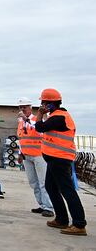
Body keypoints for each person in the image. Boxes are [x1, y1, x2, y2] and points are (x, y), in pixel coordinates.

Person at [35, 88, 87, 236]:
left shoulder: (59, 117)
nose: (42, 106)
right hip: (55, 159)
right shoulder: (57, 116)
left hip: (60, 159)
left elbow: (39, 127)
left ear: (50, 104)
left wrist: (40, 114)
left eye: (43, 103)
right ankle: (62, 219)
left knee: (67, 190)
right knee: (51, 188)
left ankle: (79, 224)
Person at [17, 97, 54, 217]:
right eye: (21, 107)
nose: (22, 109)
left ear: (30, 108)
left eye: (25, 107)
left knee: (43, 181)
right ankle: (42, 205)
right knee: (33, 182)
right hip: (27, 156)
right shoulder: (21, 122)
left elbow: (40, 131)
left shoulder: (34, 120)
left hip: (39, 155)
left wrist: (26, 119)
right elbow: (21, 138)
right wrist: (20, 153)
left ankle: (49, 207)